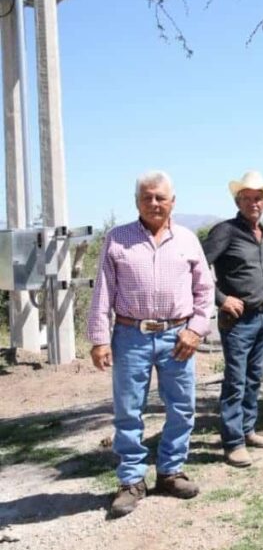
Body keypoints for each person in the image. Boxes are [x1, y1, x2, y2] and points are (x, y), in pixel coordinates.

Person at [88, 170, 214, 517]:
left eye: (161, 197)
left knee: (182, 407)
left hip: (179, 337)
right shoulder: (117, 239)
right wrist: (99, 339)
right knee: (128, 410)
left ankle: (171, 472)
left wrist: (196, 330)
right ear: (137, 202)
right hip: (131, 336)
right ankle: (131, 480)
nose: (154, 203)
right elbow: (103, 292)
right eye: (147, 197)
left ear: (173, 201)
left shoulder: (187, 239)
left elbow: (205, 291)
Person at [203, 171, 263, 467]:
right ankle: (233, 442)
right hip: (237, 321)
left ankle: (248, 429)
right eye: (246, 198)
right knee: (235, 381)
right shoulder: (225, 231)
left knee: (253, 378)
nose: (253, 203)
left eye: (258, 198)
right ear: (238, 202)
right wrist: (222, 299)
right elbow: (196, 268)